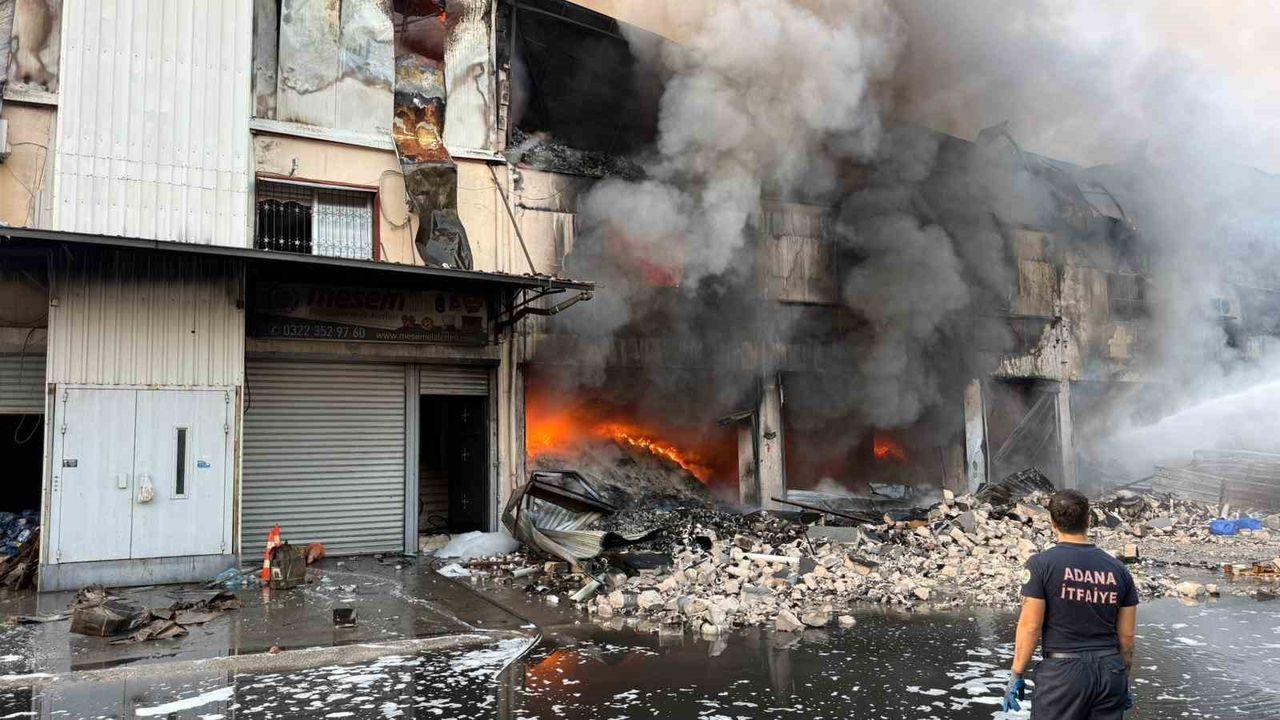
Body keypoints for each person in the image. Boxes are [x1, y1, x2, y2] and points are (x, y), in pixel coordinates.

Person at [1003, 489, 1138, 718]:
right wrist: (1122, 679)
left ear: (1053, 523)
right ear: (1088, 520)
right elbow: (1127, 636)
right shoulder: (1119, 570)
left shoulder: (1041, 565)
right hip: (1109, 672)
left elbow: (1030, 627)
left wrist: (1017, 673)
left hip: (1062, 677)